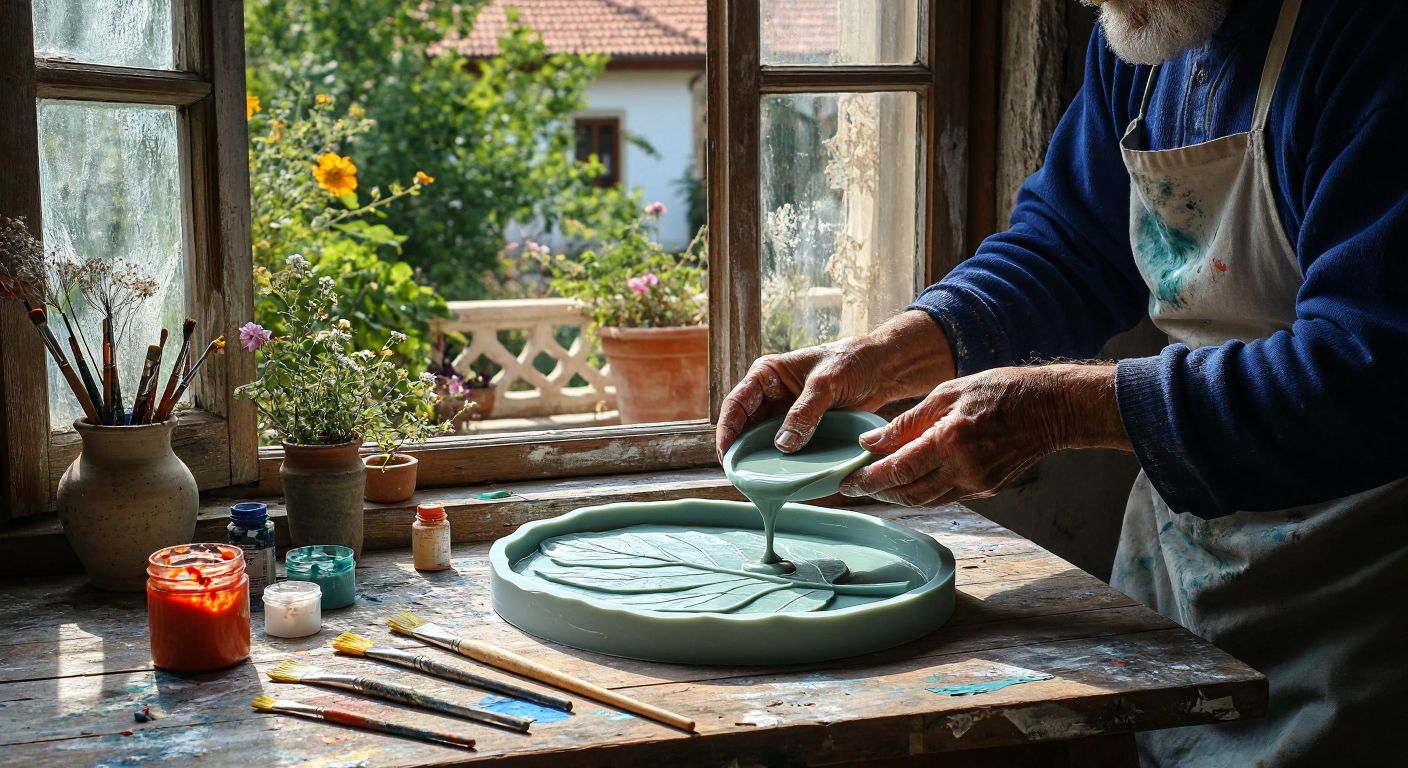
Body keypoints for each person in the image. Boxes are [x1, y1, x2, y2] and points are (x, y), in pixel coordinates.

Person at [716, 0, 1408, 764]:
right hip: (1188, 560)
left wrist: (1058, 410)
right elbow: (1069, 249)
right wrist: (883, 357)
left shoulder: (1370, 42)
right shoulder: (1144, 35)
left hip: (1359, 581)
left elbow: (1369, 373)